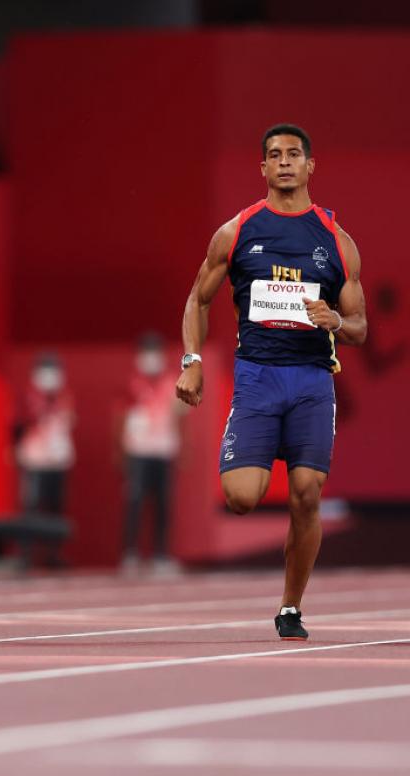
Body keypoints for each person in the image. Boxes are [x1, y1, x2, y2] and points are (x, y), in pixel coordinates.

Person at [176, 123, 368, 641]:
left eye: (293, 155)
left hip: (310, 380)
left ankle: (290, 606)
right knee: (241, 496)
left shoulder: (336, 240)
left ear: (310, 166)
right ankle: (256, 447)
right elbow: (198, 298)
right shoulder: (237, 231)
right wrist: (191, 359)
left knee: (306, 494)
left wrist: (336, 322)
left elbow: (361, 327)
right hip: (258, 376)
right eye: (274, 156)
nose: (284, 163)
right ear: (262, 168)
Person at [120, 333, 183, 575]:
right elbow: (120, 417)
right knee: (134, 502)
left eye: (155, 351)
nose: (151, 357)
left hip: (164, 451)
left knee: (163, 505)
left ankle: (160, 555)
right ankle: (130, 554)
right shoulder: (131, 383)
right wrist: (121, 451)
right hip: (138, 451)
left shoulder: (171, 382)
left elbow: (179, 415)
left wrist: (182, 448)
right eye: (147, 351)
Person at [12, 351, 75, 568]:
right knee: (31, 506)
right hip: (35, 460)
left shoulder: (65, 397)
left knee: (55, 509)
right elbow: (18, 425)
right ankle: (26, 554)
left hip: (58, 460)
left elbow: (69, 423)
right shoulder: (29, 396)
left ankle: (53, 554)